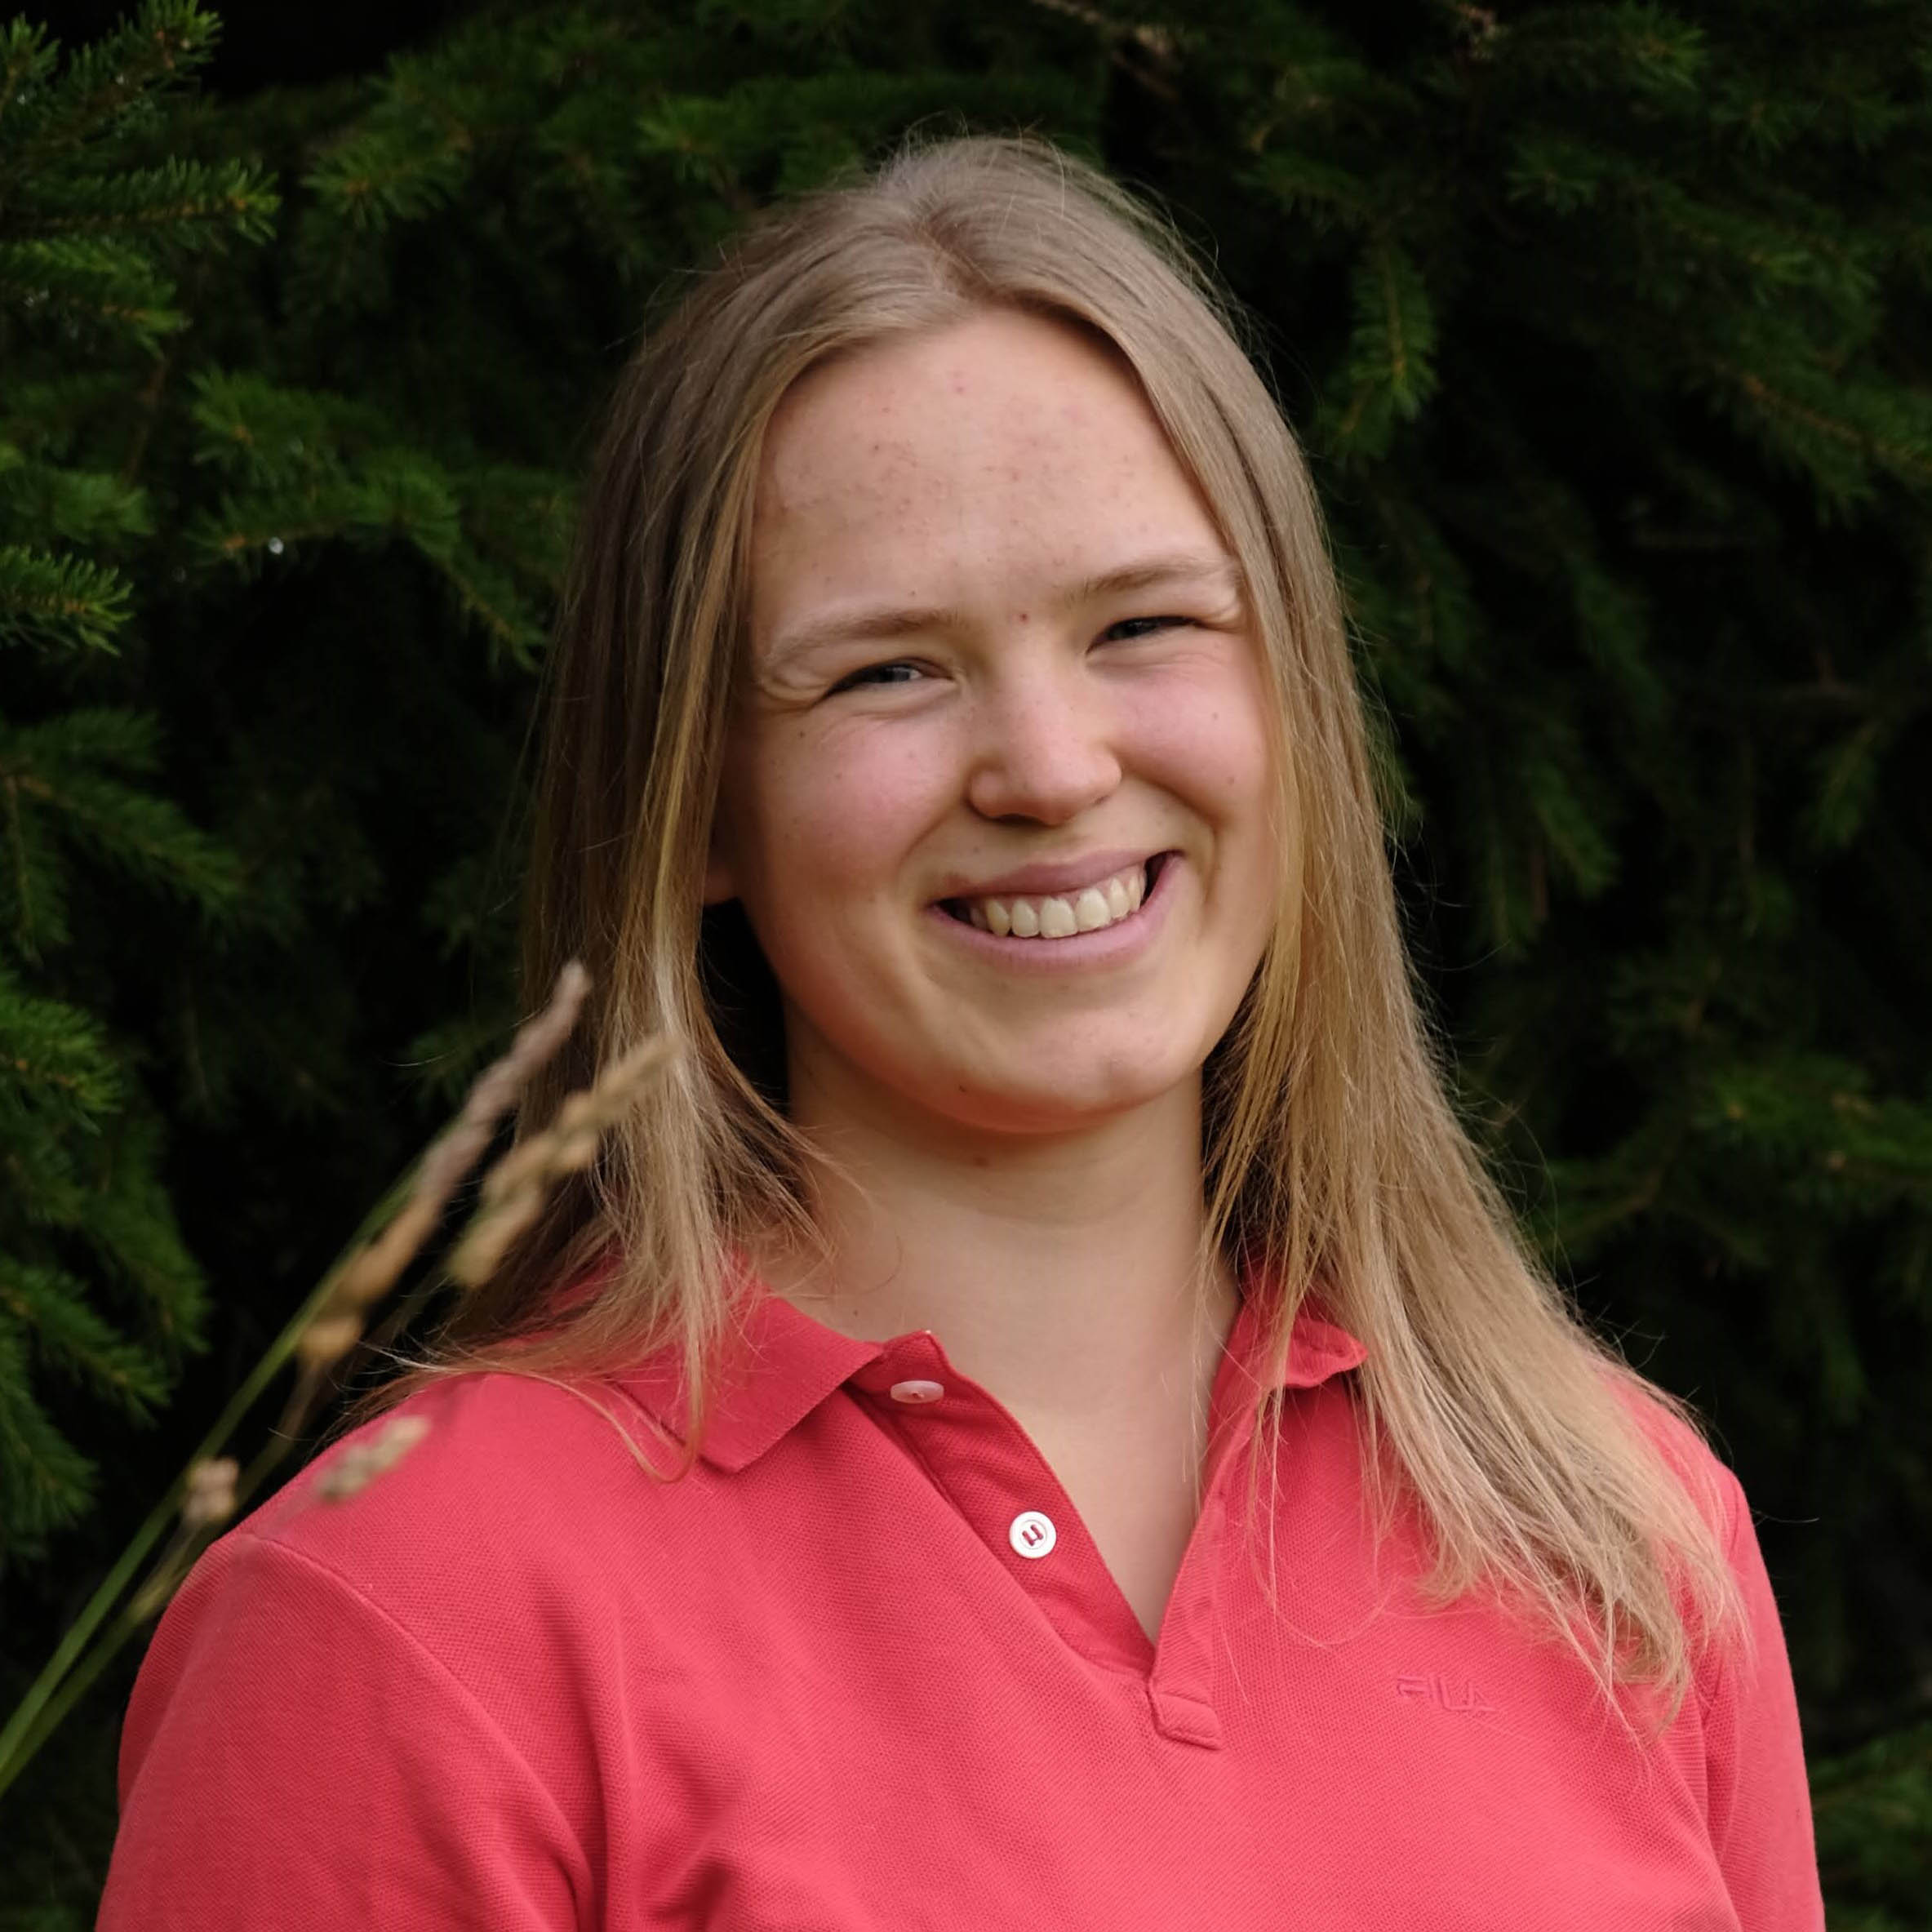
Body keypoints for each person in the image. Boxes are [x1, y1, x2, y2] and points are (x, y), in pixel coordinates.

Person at [98, 131, 1824, 1929]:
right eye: (887, 669)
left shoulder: (1619, 1534)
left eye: (1143, 624)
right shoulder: (411, 1618)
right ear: (693, 801)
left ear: (1296, 705)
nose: (1052, 768)